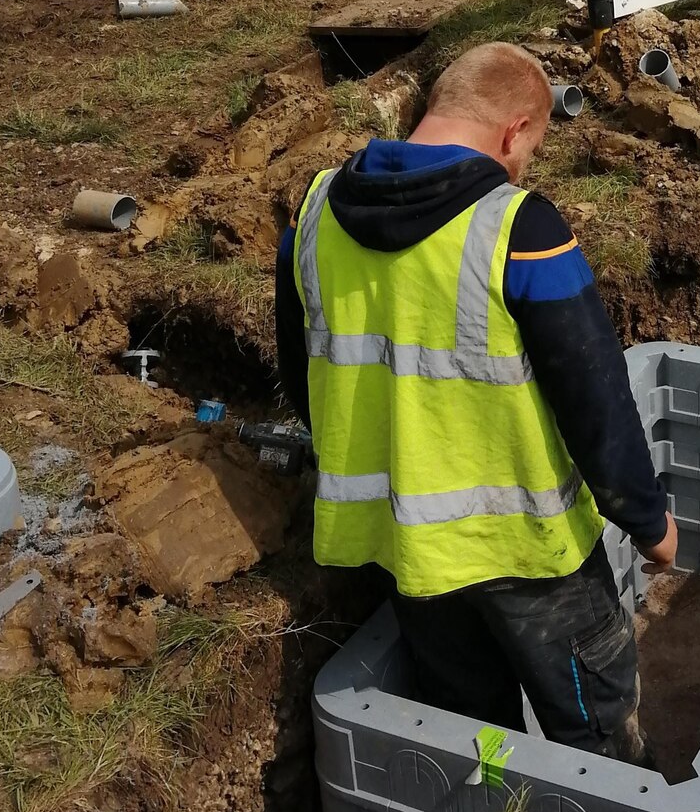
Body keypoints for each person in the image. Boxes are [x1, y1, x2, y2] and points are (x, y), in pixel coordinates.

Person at [274, 43, 677, 761]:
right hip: (528, 548)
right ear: (515, 130)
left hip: (407, 548)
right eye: (532, 149)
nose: (523, 168)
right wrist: (648, 522)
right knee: (595, 727)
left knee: (473, 729)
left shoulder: (313, 214)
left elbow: (306, 382)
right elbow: (595, 397)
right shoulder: (520, 230)